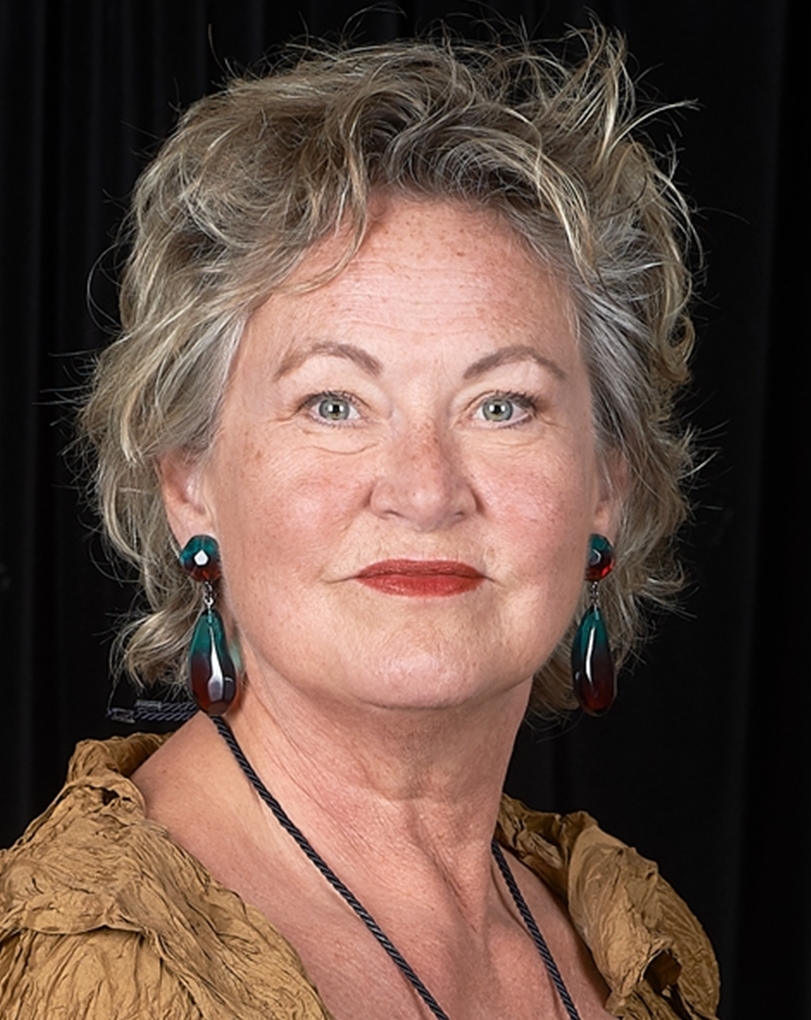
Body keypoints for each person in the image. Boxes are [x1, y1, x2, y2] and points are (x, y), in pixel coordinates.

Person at [0, 28, 719, 1020]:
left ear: (607, 487)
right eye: (334, 404)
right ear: (191, 485)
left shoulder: (633, 944)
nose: (424, 490)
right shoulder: (83, 966)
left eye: (502, 405)